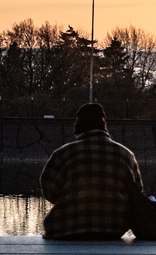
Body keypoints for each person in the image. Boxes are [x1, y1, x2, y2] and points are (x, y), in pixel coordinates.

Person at [40, 103, 144, 240]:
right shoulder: (126, 155)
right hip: (113, 228)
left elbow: (49, 192)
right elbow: (137, 194)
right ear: (103, 125)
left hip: (66, 227)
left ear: (78, 126)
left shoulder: (63, 154)